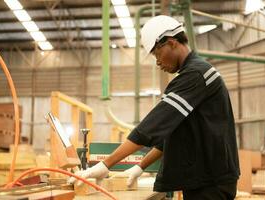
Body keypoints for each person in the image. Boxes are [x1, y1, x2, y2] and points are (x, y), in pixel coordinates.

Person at [69, 15, 240, 200]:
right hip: (208, 178)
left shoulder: (195, 75)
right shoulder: (196, 73)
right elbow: (168, 134)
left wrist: (105, 165)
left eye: (157, 54)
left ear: (172, 43)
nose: (158, 62)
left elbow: (152, 127)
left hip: (211, 183)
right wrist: (140, 166)